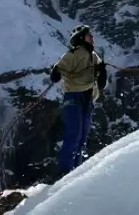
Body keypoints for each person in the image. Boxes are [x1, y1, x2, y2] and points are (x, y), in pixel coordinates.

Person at [50, 24, 107, 174]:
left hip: (86, 100)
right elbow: (60, 68)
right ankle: (65, 171)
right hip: (74, 98)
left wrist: (102, 73)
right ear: (81, 38)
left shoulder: (93, 55)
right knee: (75, 136)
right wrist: (56, 72)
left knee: (81, 139)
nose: (93, 38)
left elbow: (100, 74)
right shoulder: (75, 54)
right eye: (90, 36)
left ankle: (74, 171)